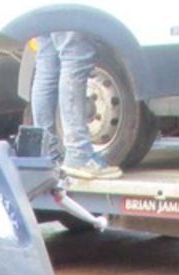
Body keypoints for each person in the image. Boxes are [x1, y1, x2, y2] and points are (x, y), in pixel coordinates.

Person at [29, 31, 122, 180]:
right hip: (65, 9)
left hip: (44, 9)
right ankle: (78, 154)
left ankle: (47, 154)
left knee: (47, 64)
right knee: (74, 55)